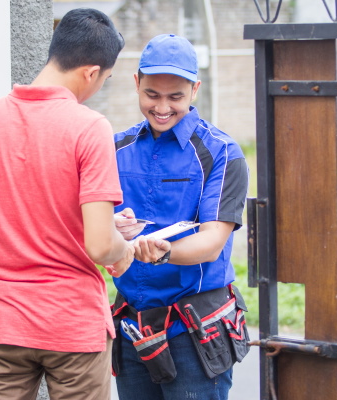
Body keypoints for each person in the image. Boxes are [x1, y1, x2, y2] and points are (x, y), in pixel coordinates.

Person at [0, 8, 134, 400]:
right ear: (91, 73)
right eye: (105, 79)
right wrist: (124, 247)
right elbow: (100, 245)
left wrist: (13, 247)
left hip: (2, 322)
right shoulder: (89, 127)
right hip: (72, 324)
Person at [111, 34, 250, 400]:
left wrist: (162, 252)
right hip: (132, 324)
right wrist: (113, 228)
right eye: (152, 94)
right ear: (136, 83)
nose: (162, 107)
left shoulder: (222, 153)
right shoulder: (114, 149)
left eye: (175, 97)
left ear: (195, 89)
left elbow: (211, 242)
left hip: (194, 329)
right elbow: (91, 224)